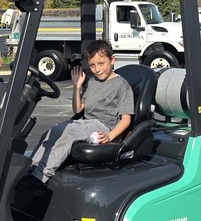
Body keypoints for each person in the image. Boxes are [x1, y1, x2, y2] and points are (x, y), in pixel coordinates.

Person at [28, 39, 133, 184]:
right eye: (92, 65)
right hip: (86, 123)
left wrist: (109, 136)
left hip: (104, 127)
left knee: (68, 133)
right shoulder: (92, 81)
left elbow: (126, 119)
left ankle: (39, 178)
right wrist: (77, 86)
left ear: (112, 60)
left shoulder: (122, 85)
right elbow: (78, 109)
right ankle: (30, 168)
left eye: (101, 63)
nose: (97, 69)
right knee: (55, 130)